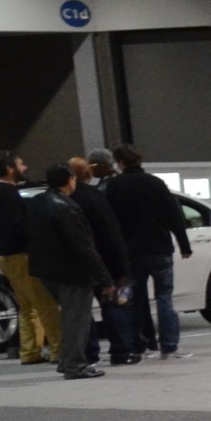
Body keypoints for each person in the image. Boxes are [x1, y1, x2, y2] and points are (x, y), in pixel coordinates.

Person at [105, 144, 192, 361]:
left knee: (134, 300)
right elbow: (174, 215)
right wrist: (184, 245)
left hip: (131, 252)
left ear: (121, 163)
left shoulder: (114, 186)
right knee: (164, 298)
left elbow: (110, 222)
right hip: (159, 248)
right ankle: (169, 347)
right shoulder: (156, 183)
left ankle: (138, 346)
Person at [24, 163, 109, 380]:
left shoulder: (37, 202)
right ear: (70, 180)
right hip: (72, 272)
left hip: (45, 270)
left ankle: (65, 360)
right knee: (77, 319)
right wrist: (104, 278)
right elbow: (83, 246)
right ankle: (75, 365)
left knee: (67, 317)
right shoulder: (67, 207)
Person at [0, 152, 56, 366]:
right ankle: (59, 348)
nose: (24, 168)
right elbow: (18, 226)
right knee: (45, 304)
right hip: (19, 255)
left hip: (5, 256)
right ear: (9, 169)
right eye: (20, 164)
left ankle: (30, 350)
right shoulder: (8, 194)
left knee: (27, 306)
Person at [67, 154, 135, 365]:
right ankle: (121, 352)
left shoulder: (64, 199)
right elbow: (111, 233)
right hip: (104, 262)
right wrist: (123, 267)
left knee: (82, 311)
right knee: (114, 305)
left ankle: (89, 354)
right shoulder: (95, 197)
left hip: (76, 263)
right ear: (88, 173)